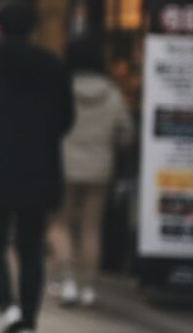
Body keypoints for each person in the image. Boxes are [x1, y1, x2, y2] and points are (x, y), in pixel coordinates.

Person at [0, 0, 74, 333]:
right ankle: (29, 328)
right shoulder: (53, 65)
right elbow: (65, 119)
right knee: (30, 248)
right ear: (34, 28)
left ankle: (7, 308)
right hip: (41, 165)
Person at [51, 35, 134, 306]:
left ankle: (67, 283)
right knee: (91, 228)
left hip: (65, 164)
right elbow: (126, 132)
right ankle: (88, 288)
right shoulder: (111, 92)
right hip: (100, 167)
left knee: (60, 224)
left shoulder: (62, 87)